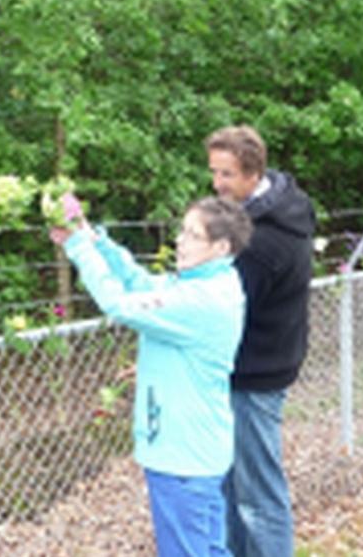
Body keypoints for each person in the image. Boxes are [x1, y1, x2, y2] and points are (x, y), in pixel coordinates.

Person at [51, 196, 252, 557]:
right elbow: (140, 283)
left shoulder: (201, 299)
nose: (180, 241)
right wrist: (97, 241)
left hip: (184, 458)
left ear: (221, 247)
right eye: (182, 231)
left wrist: (80, 248)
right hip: (192, 451)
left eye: (193, 235)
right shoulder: (206, 281)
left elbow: (120, 304)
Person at [205, 125, 316, 557]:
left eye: (227, 175)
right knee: (231, 485)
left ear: (253, 174)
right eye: (215, 173)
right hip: (252, 366)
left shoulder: (264, 241)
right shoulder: (279, 205)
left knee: (257, 495)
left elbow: (221, 311)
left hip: (256, 373)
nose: (218, 185)